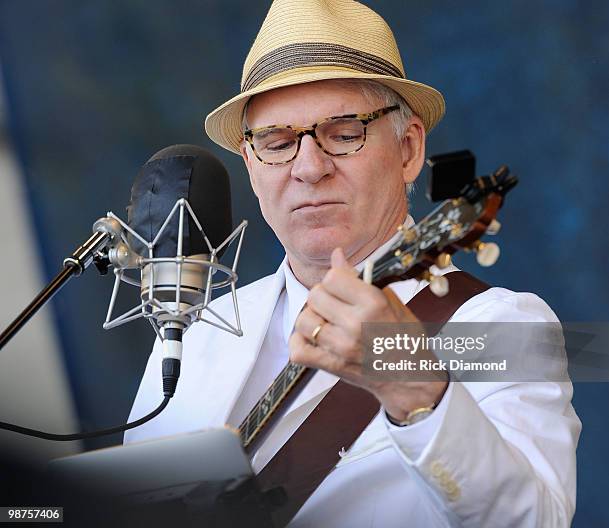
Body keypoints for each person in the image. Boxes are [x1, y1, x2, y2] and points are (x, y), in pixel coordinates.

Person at [125, 0, 580, 526]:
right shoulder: (199, 328)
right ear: (251, 167)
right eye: (276, 143)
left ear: (409, 151)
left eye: (344, 133)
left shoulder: (502, 327)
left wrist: (414, 388)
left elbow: (534, 521)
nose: (309, 167)